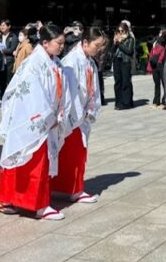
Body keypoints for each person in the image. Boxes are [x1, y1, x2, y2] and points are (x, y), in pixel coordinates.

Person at [0, 24, 72, 220]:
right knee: (32, 159)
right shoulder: (34, 63)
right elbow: (31, 94)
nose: (62, 47)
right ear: (45, 43)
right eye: (59, 43)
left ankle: (16, 200)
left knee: (35, 159)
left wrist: (59, 112)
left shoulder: (54, 62)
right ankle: (36, 205)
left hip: (48, 116)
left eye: (63, 43)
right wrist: (47, 117)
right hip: (32, 117)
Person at [55, 27, 108, 204]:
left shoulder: (88, 60)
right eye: (97, 45)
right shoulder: (71, 60)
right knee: (72, 154)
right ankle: (72, 190)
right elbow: (69, 92)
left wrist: (91, 108)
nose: (99, 49)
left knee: (77, 154)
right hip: (74, 114)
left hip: (83, 112)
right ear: (85, 42)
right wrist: (78, 113)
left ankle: (73, 188)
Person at [111, 21, 136, 110]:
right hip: (117, 61)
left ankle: (127, 102)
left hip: (125, 62)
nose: (120, 33)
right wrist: (114, 43)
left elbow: (129, 51)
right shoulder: (117, 39)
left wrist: (120, 43)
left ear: (126, 31)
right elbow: (112, 52)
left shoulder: (130, 39)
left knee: (126, 82)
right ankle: (118, 102)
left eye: (122, 31)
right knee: (117, 82)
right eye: (119, 31)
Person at [147, 30, 166, 109]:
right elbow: (151, 55)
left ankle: (165, 101)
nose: (159, 34)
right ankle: (156, 101)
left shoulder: (163, 41)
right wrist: (149, 67)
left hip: (162, 65)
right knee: (157, 84)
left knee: (165, 84)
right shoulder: (154, 43)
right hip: (155, 65)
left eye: (161, 32)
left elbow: (163, 51)